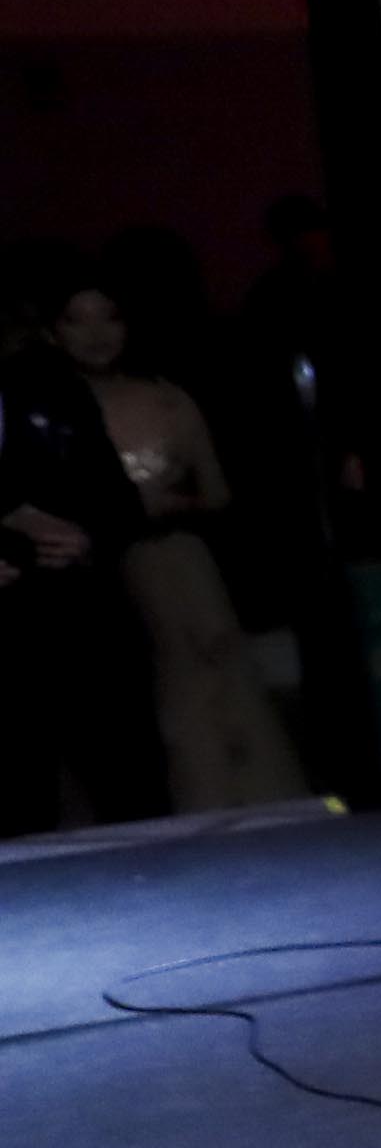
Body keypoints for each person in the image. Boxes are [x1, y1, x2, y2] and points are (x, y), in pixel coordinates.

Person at [47, 271, 306, 812]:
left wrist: (159, 507)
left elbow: (217, 492)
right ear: (54, 331)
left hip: (173, 557)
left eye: (110, 317)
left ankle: (233, 799)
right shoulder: (46, 413)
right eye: (78, 320)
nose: (97, 334)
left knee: (207, 675)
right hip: (92, 573)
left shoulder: (166, 400)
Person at [0, 257, 164, 832]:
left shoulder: (48, 386)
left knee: (125, 779)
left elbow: (119, 503)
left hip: (77, 613)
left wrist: (85, 538)